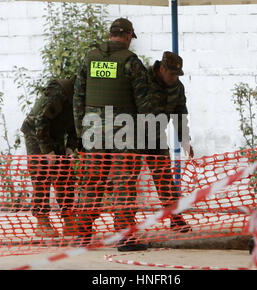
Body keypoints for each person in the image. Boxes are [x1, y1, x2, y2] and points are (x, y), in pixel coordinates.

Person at [73, 18, 148, 251]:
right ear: (127, 36)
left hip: (93, 130)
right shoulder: (131, 62)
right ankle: (125, 237)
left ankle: (82, 235)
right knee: (123, 182)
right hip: (123, 130)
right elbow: (145, 103)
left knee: (90, 181)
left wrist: (80, 132)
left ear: (110, 34)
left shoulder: (89, 58)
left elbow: (78, 97)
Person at [136, 51, 194, 233]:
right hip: (132, 136)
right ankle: (124, 224)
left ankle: (176, 219)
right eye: (171, 74)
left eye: (177, 74)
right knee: (127, 180)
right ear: (161, 68)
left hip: (156, 136)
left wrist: (184, 139)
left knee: (164, 180)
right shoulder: (143, 80)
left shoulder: (177, 87)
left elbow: (180, 114)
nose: (174, 78)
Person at [21, 77, 81, 238]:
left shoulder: (86, 93)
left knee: (65, 175)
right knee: (41, 174)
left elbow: (78, 122)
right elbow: (40, 120)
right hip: (36, 132)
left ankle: (69, 220)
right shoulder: (60, 91)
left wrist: (71, 146)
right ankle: (42, 221)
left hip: (57, 133)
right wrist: (47, 150)